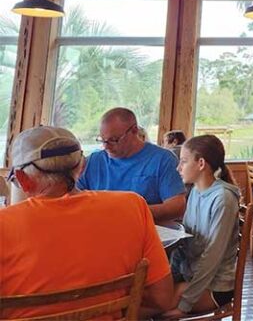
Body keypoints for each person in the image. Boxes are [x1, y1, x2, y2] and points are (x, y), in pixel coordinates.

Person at [0, 126, 173, 319]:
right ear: (81, 167)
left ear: (23, 180)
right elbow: (162, 299)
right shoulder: (133, 206)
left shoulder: (5, 224)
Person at [163, 135, 240, 319]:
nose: (178, 168)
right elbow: (185, 242)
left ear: (201, 163)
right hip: (191, 275)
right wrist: (170, 276)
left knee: (150, 306)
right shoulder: (196, 191)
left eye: (183, 161)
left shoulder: (223, 199)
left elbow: (212, 257)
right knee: (146, 296)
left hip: (216, 285)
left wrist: (185, 304)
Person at [77, 107, 186, 222]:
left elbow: (176, 207)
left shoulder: (163, 159)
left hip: (146, 232)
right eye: (102, 140)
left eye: (114, 140)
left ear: (134, 131)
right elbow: (72, 199)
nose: (106, 146)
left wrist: (127, 213)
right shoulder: (94, 161)